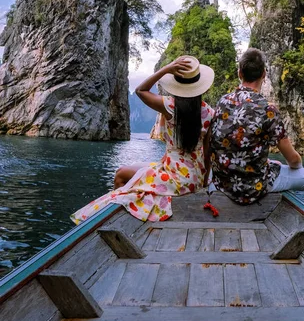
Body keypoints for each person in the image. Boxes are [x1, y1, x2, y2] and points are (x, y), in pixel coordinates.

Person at [71, 56, 215, 224]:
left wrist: (166, 69)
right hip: (193, 179)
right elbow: (207, 154)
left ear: (178, 85)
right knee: (125, 174)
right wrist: (203, 184)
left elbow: (140, 90)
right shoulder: (209, 113)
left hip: (174, 177)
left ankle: (115, 221)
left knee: (120, 175)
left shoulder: (169, 105)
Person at [209, 48, 304, 214]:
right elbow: (292, 159)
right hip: (252, 187)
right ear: (264, 74)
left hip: (223, 182)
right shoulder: (267, 109)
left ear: (239, 73)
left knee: (275, 164)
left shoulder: (223, 102)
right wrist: (298, 164)